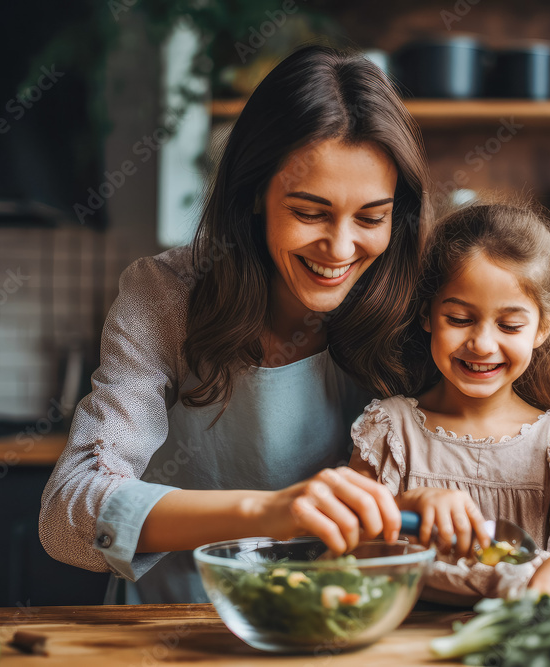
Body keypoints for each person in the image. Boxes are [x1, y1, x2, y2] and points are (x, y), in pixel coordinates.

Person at [38, 45, 432, 604]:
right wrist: (269, 511)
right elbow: (67, 513)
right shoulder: (165, 294)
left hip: (344, 623)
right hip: (171, 630)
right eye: (309, 212)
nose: (341, 248)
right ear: (252, 193)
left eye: (371, 217)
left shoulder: (418, 303)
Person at [349, 201, 550, 603]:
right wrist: (405, 505)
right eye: (459, 319)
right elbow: (344, 548)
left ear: (542, 327)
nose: (483, 344)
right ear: (426, 314)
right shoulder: (389, 429)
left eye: (509, 325)